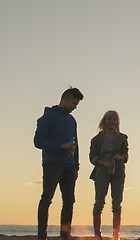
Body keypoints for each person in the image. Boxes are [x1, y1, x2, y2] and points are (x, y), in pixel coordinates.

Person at [34, 87, 84, 240]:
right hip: (52, 163)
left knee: (69, 200)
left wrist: (76, 166)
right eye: (74, 104)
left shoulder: (72, 120)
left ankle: (65, 234)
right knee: (47, 198)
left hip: (69, 165)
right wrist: (61, 146)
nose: (75, 107)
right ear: (66, 99)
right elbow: (38, 142)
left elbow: (75, 143)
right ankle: (42, 236)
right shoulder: (48, 117)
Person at [89, 110, 129, 240]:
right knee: (99, 202)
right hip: (101, 171)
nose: (111, 122)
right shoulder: (96, 139)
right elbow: (92, 157)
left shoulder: (122, 138)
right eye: (109, 119)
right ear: (104, 121)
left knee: (117, 203)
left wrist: (120, 157)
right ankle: (97, 234)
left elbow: (126, 155)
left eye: (114, 119)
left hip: (118, 172)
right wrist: (104, 163)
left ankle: (115, 235)